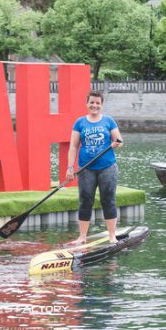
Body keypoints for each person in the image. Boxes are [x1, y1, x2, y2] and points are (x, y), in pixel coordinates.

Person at [66, 91, 123, 245]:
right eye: (92, 102)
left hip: (107, 167)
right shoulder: (79, 122)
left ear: (101, 105)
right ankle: (82, 237)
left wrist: (116, 143)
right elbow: (73, 146)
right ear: (87, 103)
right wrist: (70, 168)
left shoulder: (108, 121)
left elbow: (119, 140)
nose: (94, 105)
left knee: (108, 200)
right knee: (85, 200)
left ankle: (112, 236)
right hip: (86, 169)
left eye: (98, 103)